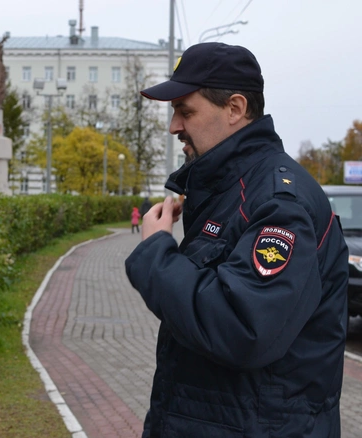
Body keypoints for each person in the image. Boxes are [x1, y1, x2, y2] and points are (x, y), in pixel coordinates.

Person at [124, 42, 348, 437]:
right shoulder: (231, 188)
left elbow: (243, 329)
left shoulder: (281, 202)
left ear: (235, 109)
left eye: (185, 111)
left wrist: (156, 253)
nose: (174, 126)